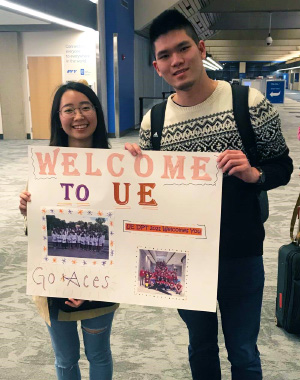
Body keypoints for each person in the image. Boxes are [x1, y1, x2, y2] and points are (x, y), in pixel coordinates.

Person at [125, 9, 293, 380]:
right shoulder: (152, 123)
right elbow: (149, 197)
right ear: (157, 66)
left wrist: (255, 174)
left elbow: (283, 166)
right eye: (165, 55)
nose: (176, 60)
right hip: (176, 257)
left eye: (183, 48)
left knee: (244, 351)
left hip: (240, 254)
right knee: (199, 347)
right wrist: (132, 172)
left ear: (201, 49)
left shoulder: (247, 104)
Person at [19, 81, 119, 380]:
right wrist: (28, 211)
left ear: (97, 113)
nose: (79, 116)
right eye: (69, 109)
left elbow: (124, 231)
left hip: (101, 280)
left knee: (98, 354)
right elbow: (38, 237)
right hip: (55, 283)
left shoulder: (118, 166)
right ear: (58, 118)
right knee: (65, 359)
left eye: (86, 107)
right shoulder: (45, 168)